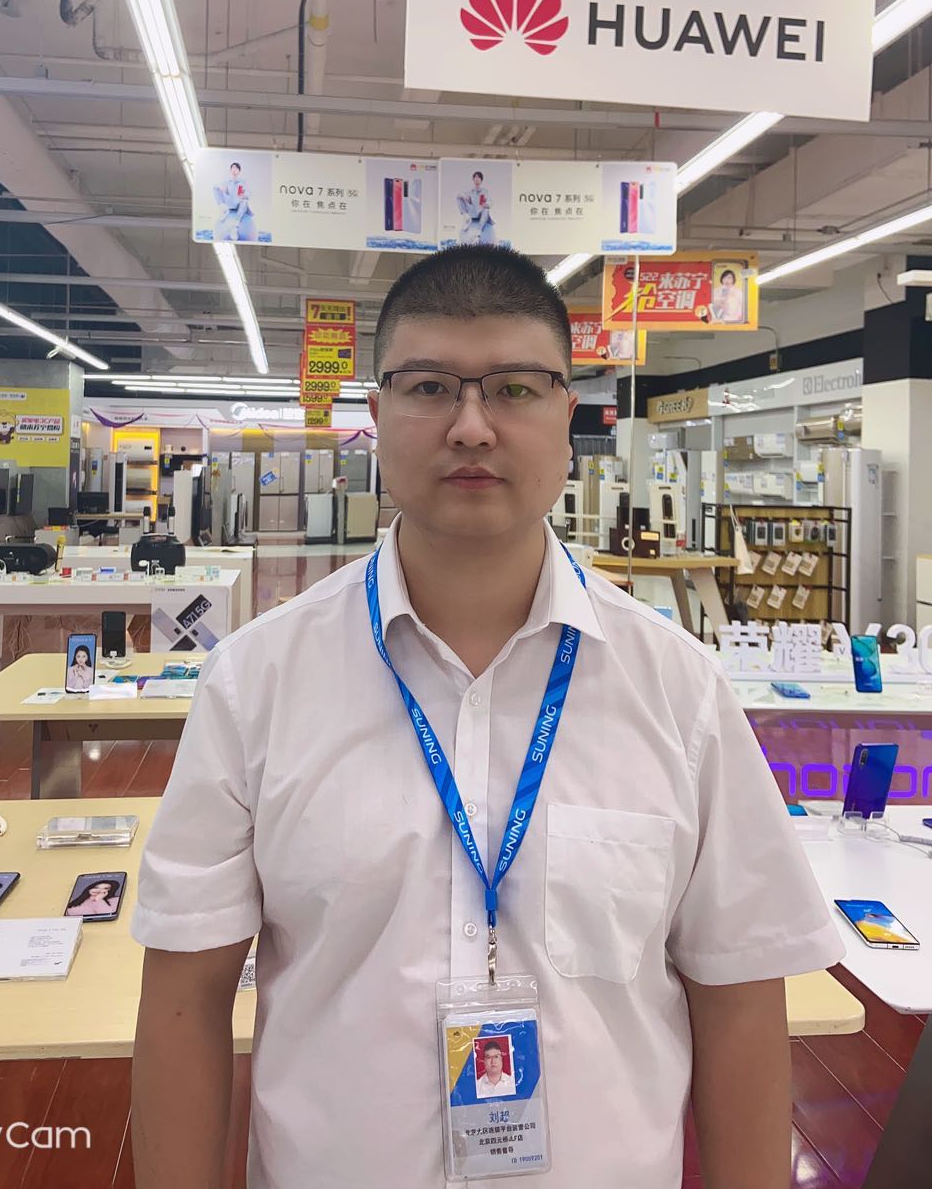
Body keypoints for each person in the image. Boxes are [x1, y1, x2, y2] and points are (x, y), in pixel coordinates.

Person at [130, 245, 842, 1189]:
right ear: (377, 416)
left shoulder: (681, 692)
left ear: (568, 416)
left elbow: (741, 998)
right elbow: (185, 995)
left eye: (514, 389)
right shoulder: (255, 683)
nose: (471, 427)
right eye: (430, 387)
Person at [213, 161, 257, 243]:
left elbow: (249, 193)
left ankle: (235, 226)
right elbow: (216, 187)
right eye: (232, 168)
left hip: (239, 204)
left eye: (236, 168)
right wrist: (221, 187)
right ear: (230, 170)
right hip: (229, 203)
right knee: (215, 188)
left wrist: (244, 195)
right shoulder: (226, 182)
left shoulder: (243, 182)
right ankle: (225, 209)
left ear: (239, 171)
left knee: (244, 201)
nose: (234, 170)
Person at [455, 169, 495, 245]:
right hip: (472, 212)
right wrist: (464, 196)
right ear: (473, 179)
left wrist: (486, 204)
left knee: (486, 210)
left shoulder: (484, 191)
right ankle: (467, 217)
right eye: (475, 177)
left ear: (481, 180)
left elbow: (490, 202)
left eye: (478, 177)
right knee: (458, 197)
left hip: (481, 214)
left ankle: (478, 232)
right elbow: (459, 196)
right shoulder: (470, 192)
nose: (477, 179)